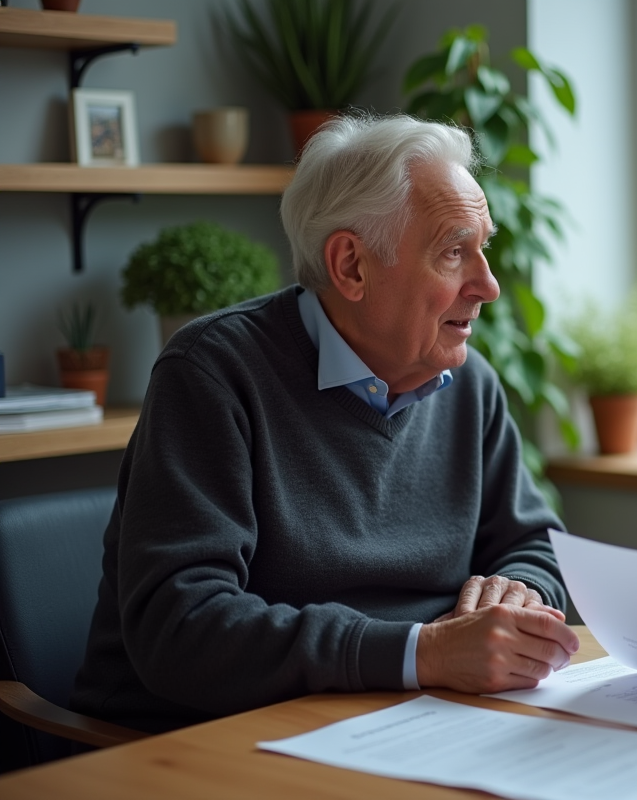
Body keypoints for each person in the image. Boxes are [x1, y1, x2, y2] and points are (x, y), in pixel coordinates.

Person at [72, 115, 579, 733]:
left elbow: (537, 547)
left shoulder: (471, 386)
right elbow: (181, 627)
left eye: (483, 248)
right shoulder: (212, 373)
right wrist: (423, 652)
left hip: (403, 720)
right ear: (352, 266)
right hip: (195, 741)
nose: (489, 285)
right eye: (453, 251)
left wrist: (517, 591)